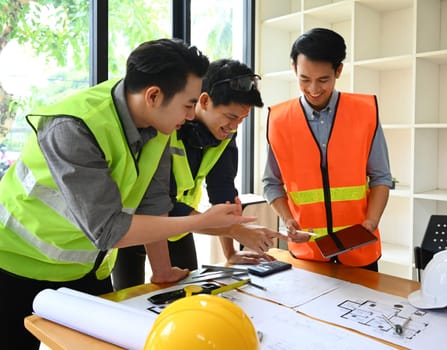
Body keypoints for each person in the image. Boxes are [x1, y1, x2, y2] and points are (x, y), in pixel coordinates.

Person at [0, 38, 268, 349]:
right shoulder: (73, 128)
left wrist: (163, 270)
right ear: (154, 95)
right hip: (15, 265)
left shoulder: (158, 127)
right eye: (189, 104)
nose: (193, 115)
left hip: (85, 267)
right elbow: (109, 229)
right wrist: (199, 222)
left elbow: (153, 204)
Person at [112, 59, 279, 290]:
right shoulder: (169, 127)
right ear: (204, 101)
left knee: (188, 292)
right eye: (230, 117)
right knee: (127, 298)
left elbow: (224, 196)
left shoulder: (224, 137)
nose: (234, 126)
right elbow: (161, 202)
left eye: (242, 120)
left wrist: (230, 253)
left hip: (180, 226)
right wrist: (235, 230)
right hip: (136, 222)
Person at [262, 28, 392, 271]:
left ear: (338, 71)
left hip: (359, 251)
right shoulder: (277, 119)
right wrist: (287, 219)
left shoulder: (365, 112)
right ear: (294, 69)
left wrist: (372, 221)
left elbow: (381, 177)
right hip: (307, 253)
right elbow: (271, 183)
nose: (313, 89)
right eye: (304, 79)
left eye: (323, 80)